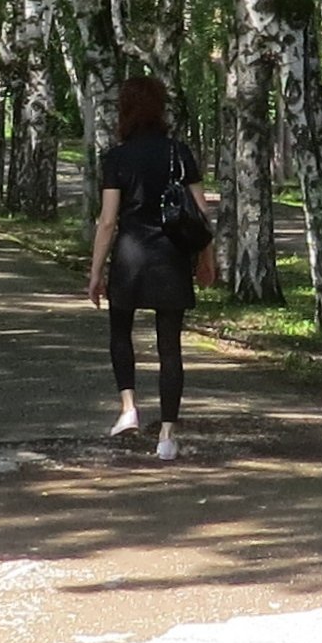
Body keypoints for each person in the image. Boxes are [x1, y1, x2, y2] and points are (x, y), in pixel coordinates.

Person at [85, 75, 210, 460]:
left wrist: (95, 272)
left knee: (120, 331)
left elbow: (107, 221)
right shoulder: (179, 152)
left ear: (125, 110)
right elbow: (201, 212)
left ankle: (129, 409)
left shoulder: (117, 158)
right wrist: (208, 260)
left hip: (131, 255)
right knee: (169, 346)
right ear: (160, 108)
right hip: (172, 256)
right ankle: (168, 436)